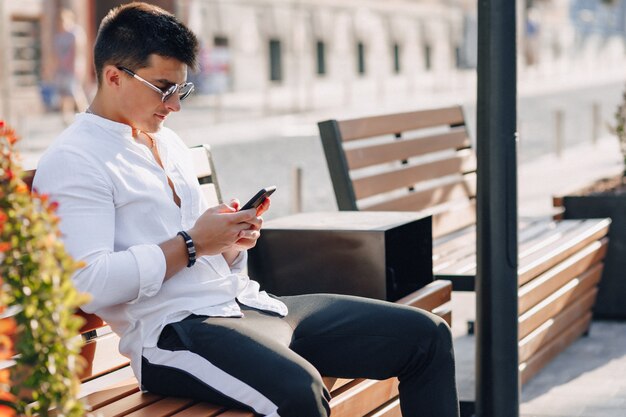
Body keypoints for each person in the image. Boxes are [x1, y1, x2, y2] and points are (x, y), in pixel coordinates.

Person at [33, 3, 459, 416]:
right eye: (165, 89)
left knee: (427, 336)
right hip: (173, 335)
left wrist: (232, 241)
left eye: (181, 89)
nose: (175, 105)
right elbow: (87, 283)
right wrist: (193, 244)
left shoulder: (169, 143)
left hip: (244, 305)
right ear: (113, 77)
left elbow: (205, 250)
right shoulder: (76, 159)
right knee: (299, 393)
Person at [53, 9, 89, 124]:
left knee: (75, 91)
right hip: (62, 69)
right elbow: (56, 55)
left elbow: (79, 51)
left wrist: (77, 67)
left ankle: (86, 116)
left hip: (73, 68)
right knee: (63, 94)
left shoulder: (76, 33)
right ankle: (66, 118)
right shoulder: (59, 36)